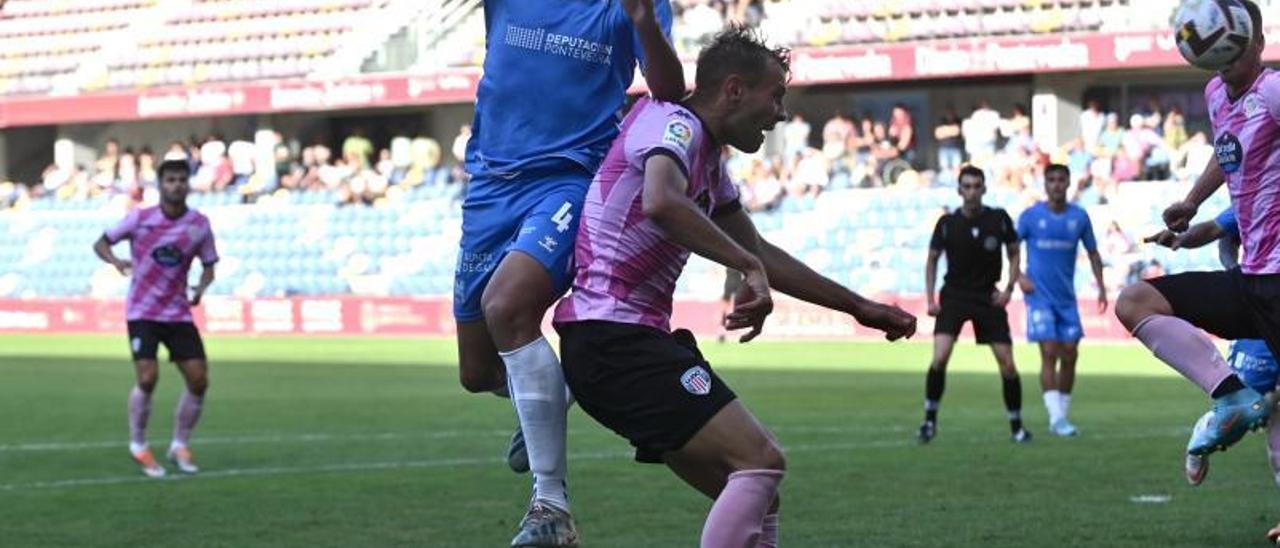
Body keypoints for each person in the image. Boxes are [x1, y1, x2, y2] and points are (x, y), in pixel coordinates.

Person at [554, 27, 916, 547]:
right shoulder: (671, 122)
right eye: (777, 96)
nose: (781, 114)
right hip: (613, 339)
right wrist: (746, 266)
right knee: (761, 461)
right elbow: (660, 200)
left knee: (758, 492)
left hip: (626, 344)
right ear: (733, 90)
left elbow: (761, 253)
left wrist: (858, 307)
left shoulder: (710, 163)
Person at [453, 1, 685, 546]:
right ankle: (551, 400)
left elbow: (671, 94)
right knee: (478, 372)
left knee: (508, 307)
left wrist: (645, 25)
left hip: (571, 179)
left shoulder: (627, 7)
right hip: (489, 185)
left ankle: (550, 506)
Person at [1113, 0, 1280, 464]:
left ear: (1258, 43)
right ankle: (1231, 395)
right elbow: (1228, 148)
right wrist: (1192, 201)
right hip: (1251, 281)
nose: (1227, 58)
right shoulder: (1215, 94)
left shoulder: (1272, 91)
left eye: (1237, 46)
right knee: (1134, 301)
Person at [92, 159, 218, 478]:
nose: (176, 185)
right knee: (148, 378)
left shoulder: (199, 224)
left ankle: (179, 444)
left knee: (199, 380)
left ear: (188, 184)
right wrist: (117, 261)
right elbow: (101, 242)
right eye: (170, 180)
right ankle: (139, 446)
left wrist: (200, 288)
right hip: (143, 311)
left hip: (177, 312)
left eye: (181, 179)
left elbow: (209, 265)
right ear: (160, 185)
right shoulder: (140, 219)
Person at [1144, 207, 1280, 497]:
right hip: (1264, 308)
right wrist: (1239, 278)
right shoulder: (1263, 189)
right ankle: (1203, 436)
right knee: (1252, 410)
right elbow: (1222, 233)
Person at [918, 165, 1030, 444]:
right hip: (954, 295)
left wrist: (1008, 289)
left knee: (1007, 364)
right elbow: (931, 260)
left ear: (984, 189)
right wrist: (930, 299)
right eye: (966, 186)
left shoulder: (999, 219)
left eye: (976, 186)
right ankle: (929, 422)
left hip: (987, 297)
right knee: (940, 358)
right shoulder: (946, 223)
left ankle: (1017, 427)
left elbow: (1015, 253)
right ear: (959, 191)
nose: (971, 192)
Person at [1016, 164, 1107, 437]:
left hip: (1067, 298)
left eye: (1061, 180)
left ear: (1068, 184)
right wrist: (1018, 277)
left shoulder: (1079, 217)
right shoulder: (1030, 216)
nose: (1056, 184)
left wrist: (1101, 287)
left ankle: (1061, 416)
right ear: (1045, 184)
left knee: (1070, 353)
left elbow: (1093, 253)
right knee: (1050, 351)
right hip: (1038, 297)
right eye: (1051, 180)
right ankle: (1056, 418)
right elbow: (1009, 248)